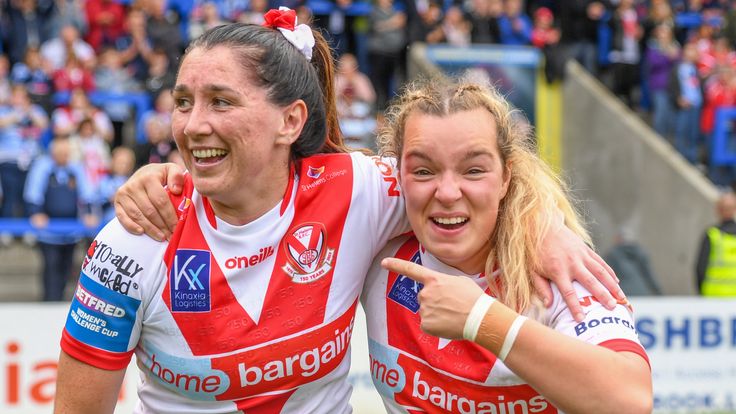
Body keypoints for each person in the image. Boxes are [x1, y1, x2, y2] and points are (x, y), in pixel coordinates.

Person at [56, 10, 621, 413]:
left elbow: (458, 183)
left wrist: (542, 222)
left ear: (291, 121)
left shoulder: (357, 191)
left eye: (221, 101)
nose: (193, 124)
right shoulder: (135, 239)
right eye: (183, 102)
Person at [370, 77, 652, 412]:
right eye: (423, 171)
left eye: (473, 171)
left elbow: (630, 400)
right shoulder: (376, 238)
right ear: (396, 173)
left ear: (506, 177)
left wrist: (481, 319)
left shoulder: (559, 268)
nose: (447, 193)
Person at [24, 136, 99, 301]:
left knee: (67, 269)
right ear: (52, 153)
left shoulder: (76, 168)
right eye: (59, 153)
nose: (63, 156)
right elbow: (33, 193)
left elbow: (87, 194)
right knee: (51, 267)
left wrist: (88, 214)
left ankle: (58, 304)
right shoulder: (42, 167)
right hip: (48, 231)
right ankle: (49, 302)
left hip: (71, 231)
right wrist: (36, 212)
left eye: (66, 153)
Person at [695, 191, 736, 296]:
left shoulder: (712, 235)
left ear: (718, 210)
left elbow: (700, 268)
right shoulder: (712, 235)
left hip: (714, 297)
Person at [604, 227, 663, 296]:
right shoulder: (641, 253)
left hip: (623, 293)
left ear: (618, 239)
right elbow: (649, 276)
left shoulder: (613, 254)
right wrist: (659, 293)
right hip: (642, 292)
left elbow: (607, 276)